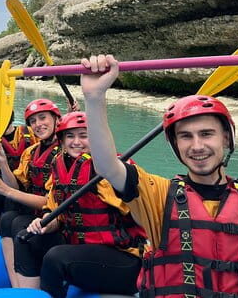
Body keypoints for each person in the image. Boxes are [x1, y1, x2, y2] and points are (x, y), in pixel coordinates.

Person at [81, 54, 238, 297]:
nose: (197, 146)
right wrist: (94, 98)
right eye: (185, 136)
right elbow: (107, 166)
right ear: (175, 144)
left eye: (206, 134)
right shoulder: (159, 196)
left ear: (226, 138)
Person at [19, 112, 146, 296]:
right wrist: (45, 223)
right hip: (83, 248)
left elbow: (141, 210)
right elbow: (54, 210)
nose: (76, 142)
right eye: (70, 136)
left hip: (124, 258)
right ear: (62, 141)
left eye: (84, 135)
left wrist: (123, 177)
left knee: (56, 258)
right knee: (28, 239)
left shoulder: (112, 169)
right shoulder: (59, 165)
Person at [0, 98, 62, 287]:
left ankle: (30, 287)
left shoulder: (64, 153)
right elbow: (17, 185)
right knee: (8, 219)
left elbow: (48, 201)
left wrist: (6, 190)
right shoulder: (31, 152)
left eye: (43, 118)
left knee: (22, 233)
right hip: (38, 215)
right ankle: (17, 286)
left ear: (56, 119)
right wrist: (3, 163)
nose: (38, 124)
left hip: (57, 220)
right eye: (33, 121)